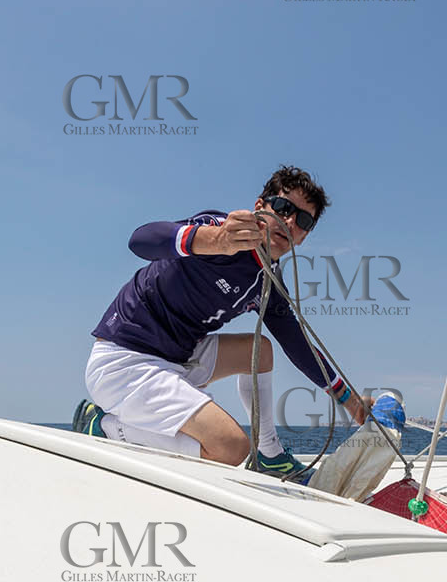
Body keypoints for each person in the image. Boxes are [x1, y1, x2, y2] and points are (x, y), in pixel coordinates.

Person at [73, 166, 366, 478]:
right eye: (283, 208)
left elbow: (298, 344)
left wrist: (352, 403)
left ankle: (269, 455)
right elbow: (141, 240)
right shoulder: (217, 228)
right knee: (230, 448)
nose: (290, 222)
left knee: (260, 349)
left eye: (303, 220)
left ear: (305, 237)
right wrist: (214, 240)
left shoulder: (267, 281)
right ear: (259, 208)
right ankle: (104, 426)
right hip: (124, 362)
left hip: (178, 358)